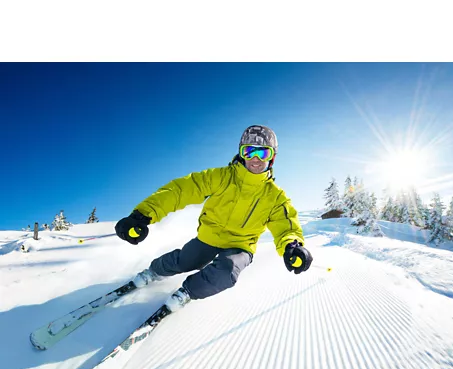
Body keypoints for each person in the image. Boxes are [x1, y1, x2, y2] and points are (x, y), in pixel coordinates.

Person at [115, 125, 313, 312]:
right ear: (241, 153)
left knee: (227, 272)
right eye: (249, 151)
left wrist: (292, 246)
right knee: (186, 261)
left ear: (272, 158)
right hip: (209, 237)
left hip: (241, 245)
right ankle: (153, 272)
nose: (255, 158)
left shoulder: (276, 197)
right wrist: (142, 215)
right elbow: (180, 191)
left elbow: (286, 226)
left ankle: (187, 292)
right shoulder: (221, 177)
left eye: (263, 152)